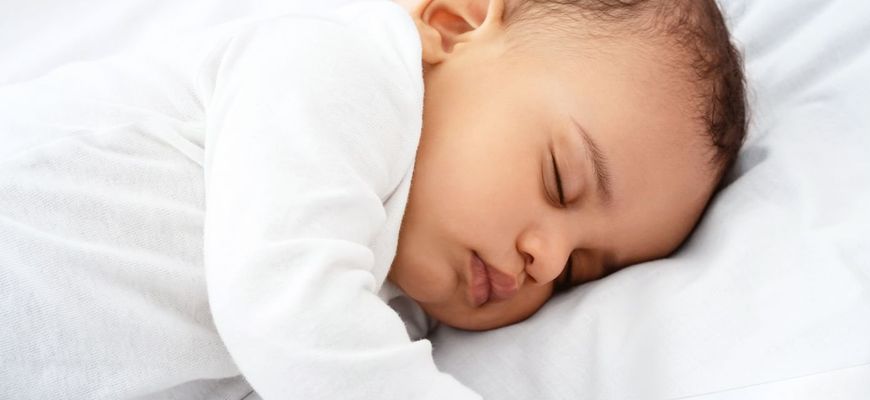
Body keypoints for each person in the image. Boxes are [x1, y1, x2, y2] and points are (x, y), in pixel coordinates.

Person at [0, 0, 746, 398]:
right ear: (452, 25)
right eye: (560, 179)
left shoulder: (389, 312)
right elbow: (282, 303)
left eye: (583, 270)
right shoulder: (340, 66)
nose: (546, 258)